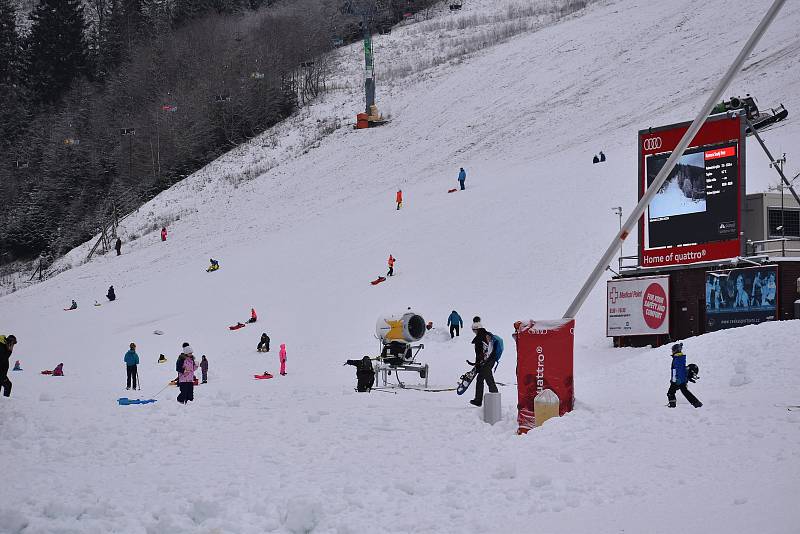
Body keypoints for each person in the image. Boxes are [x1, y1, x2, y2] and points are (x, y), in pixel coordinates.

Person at [468, 327, 498, 407]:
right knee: (480, 378)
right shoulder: (488, 335)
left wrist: (477, 365)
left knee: (488, 379)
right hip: (491, 359)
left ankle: (495, 399)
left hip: (487, 361)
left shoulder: (479, 338)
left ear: (476, 330)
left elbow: (479, 354)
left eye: (474, 330)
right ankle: (478, 400)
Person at [667, 343, 702, 408]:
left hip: (678, 380)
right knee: (684, 392)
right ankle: (696, 403)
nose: (672, 351)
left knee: (671, 392)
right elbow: (677, 370)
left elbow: (679, 370)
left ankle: (672, 405)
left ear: (675, 350)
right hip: (678, 379)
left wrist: (676, 380)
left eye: (673, 350)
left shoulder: (677, 359)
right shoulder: (678, 358)